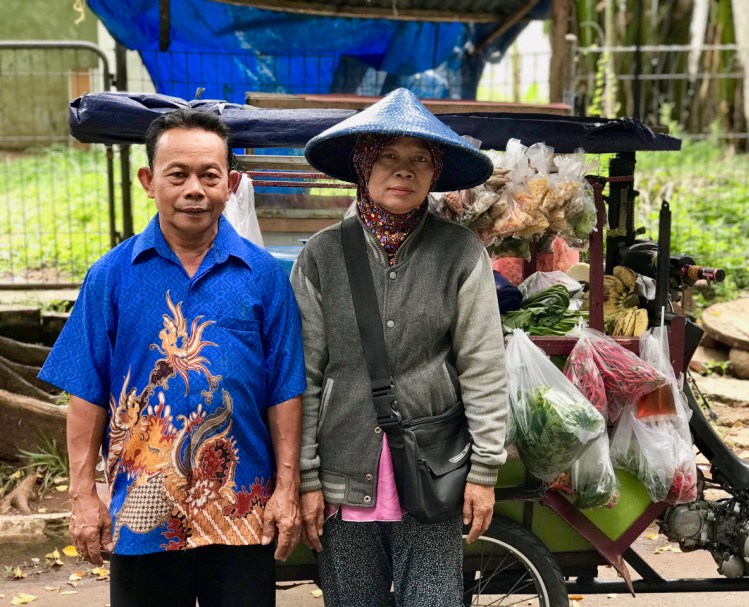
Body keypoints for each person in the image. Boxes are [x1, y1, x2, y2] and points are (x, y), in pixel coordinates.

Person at [38, 109, 306, 607]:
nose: (194, 190)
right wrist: (82, 495)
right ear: (149, 181)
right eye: (177, 175)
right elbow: (86, 389)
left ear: (229, 184)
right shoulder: (112, 276)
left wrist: (286, 490)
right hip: (142, 512)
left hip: (240, 510)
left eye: (208, 176)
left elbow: (286, 390)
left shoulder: (265, 276)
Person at [290, 88, 508, 606]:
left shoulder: (460, 252)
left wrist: (484, 472)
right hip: (344, 470)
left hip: (433, 468)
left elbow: (483, 365)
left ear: (436, 175)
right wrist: (307, 476)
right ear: (364, 166)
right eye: (388, 156)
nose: (403, 171)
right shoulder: (322, 256)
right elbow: (304, 374)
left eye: (419, 161)